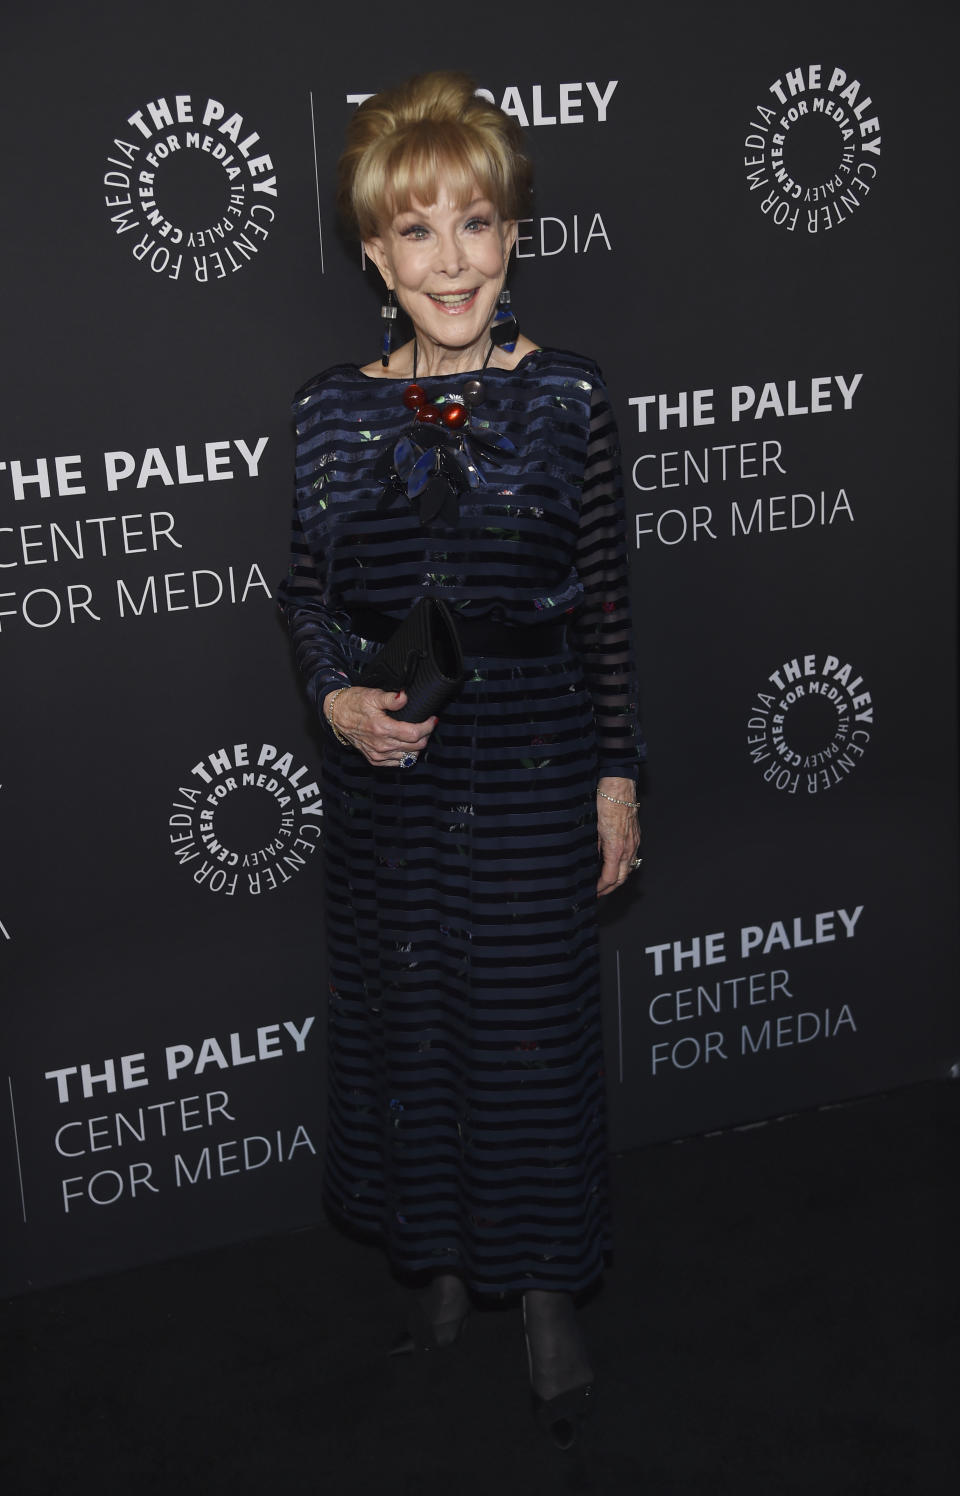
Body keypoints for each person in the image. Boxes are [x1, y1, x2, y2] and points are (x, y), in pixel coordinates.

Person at [279, 71, 643, 1449]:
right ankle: (433, 1264)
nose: (450, 259)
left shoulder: (567, 400)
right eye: (416, 232)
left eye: (474, 223)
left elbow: (606, 601)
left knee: (533, 1041)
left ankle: (545, 1290)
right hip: (392, 779)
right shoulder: (323, 412)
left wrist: (618, 775)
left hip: (538, 763)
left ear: (511, 237)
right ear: (376, 256)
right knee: (412, 1032)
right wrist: (335, 705)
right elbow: (310, 597)